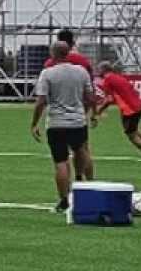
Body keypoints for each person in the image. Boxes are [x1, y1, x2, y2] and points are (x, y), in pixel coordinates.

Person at [30, 40, 94, 214]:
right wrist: (85, 113)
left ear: (53, 54)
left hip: (57, 123)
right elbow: (90, 96)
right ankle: (83, 183)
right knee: (81, 151)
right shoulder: (81, 72)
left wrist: (34, 123)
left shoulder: (47, 74)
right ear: (68, 53)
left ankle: (64, 199)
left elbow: (41, 101)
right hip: (77, 121)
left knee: (60, 162)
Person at [93, 61, 141, 164]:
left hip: (129, 110)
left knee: (132, 136)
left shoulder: (107, 80)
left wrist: (98, 111)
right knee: (134, 130)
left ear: (104, 70)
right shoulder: (118, 77)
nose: (97, 71)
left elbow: (109, 99)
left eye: (99, 69)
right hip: (137, 107)